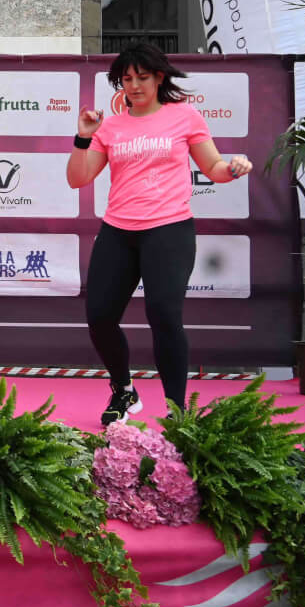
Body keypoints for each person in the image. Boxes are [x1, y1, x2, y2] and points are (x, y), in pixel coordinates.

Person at [65, 44, 251, 426]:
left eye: (142, 77)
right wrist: (83, 137)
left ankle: (177, 412)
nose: (134, 85)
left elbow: (213, 167)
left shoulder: (184, 116)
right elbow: (77, 178)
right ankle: (123, 389)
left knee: (164, 314)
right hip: (118, 230)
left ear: (159, 77)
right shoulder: (110, 127)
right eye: (127, 79)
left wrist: (233, 168)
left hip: (169, 229)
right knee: (99, 317)